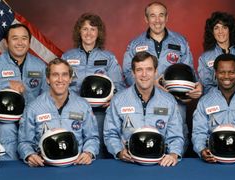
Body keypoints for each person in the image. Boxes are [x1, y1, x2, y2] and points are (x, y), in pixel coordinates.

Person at [122, 1, 202, 152]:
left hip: (175, 101)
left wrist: (194, 88)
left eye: (161, 15)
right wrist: (151, 85)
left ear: (167, 18)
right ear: (146, 19)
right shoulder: (134, 44)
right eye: (152, 16)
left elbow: (190, 71)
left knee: (177, 144)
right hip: (144, 101)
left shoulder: (181, 42)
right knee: (147, 143)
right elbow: (127, 73)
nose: (157, 20)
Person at [0, 24, 48, 160]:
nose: (20, 43)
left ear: (29, 42)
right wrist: (7, 84)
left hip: (31, 121)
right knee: (6, 129)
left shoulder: (39, 66)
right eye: (15, 38)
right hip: (5, 122)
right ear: (6, 42)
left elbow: (48, 97)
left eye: (24, 38)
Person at [61, 13, 125, 158]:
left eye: (93, 29)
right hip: (73, 110)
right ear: (79, 31)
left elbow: (119, 86)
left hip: (100, 113)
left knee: (100, 149)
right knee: (73, 148)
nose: (88, 33)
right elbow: (59, 84)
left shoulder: (108, 57)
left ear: (98, 33)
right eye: (85, 29)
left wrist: (111, 99)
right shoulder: (67, 57)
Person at [104, 52, 185, 167]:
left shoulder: (169, 101)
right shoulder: (118, 100)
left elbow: (176, 136)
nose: (144, 74)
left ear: (155, 72)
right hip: (128, 164)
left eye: (149, 69)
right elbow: (110, 134)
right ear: (133, 73)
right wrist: (119, 151)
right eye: (139, 70)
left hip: (160, 164)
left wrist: (173, 154)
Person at [18, 58, 99, 167]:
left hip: (77, 166)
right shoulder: (33, 108)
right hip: (45, 167)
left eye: (64, 75)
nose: (60, 80)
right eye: (55, 75)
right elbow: (24, 142)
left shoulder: (83, 106)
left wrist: (89, 152)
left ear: (70, 79)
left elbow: (92, 138)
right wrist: (29, 155)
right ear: (47, 79)